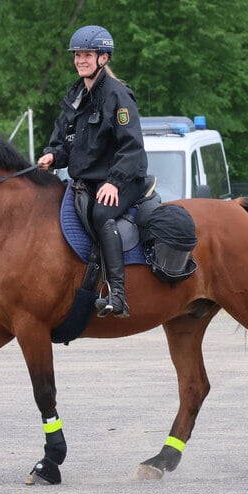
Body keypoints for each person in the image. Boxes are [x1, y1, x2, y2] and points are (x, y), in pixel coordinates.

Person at [38, 25, 148, 318]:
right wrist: (51, 155)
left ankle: (118, 295)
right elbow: (64, 142)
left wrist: (114, 182)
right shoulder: (74, 95)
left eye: (87, 54)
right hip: (85, 182)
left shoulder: (117, 95)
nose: (80, 60)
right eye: (77, 55)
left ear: (103, 58)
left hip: (124, 179)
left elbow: (132, 147)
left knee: (102, 213)